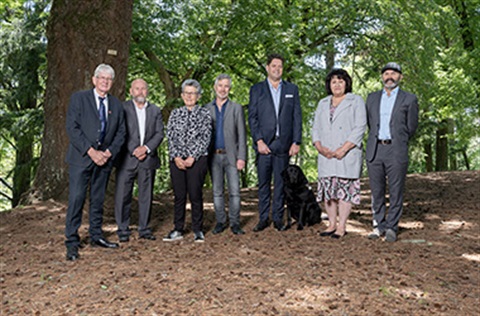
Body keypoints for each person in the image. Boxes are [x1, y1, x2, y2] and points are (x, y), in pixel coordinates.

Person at [64, 64, 126, 261]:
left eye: (109, 79)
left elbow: (121, 132)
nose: (105, 81)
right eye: (102, 78)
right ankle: (72, 242)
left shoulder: (116, 104)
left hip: (104, 160)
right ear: (94, 79)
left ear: (112, 82)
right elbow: (72, 128)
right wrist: (91, 152)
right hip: (81, 158)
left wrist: (107, 153)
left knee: (98, 199)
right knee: (76, 198)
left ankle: (96, 236)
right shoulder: (79, 99)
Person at [248, 53, 302, 232]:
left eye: (280, 66)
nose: (277, 69)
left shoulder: (291, 89)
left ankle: (278, 218)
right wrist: (258, 140)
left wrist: (296, 141)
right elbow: (252, 117)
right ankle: (264, 218)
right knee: (263, 184)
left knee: (280, 184)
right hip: (264, 144)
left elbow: (297, 117)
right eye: (274, 66)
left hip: (284, 144)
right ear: (267, 67)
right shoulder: (257, 89)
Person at [365, 62, 419, 242]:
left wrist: (398, 140)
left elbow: (411, 127)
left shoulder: (409, 99)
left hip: (396, 150)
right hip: (375, 149)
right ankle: (378, 225)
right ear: (382, 77)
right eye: (386, 73)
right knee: (376, 191)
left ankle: (391, 228)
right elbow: (370, 123)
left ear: (400, 77)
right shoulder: (371, 98)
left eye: (393, 74)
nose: (389, 76)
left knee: (396, 191)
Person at [312, 69, 367, 239]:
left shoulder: (355, 101)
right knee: (329, 191)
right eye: (334, 81)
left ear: (347, 83)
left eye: (341, 81)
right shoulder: (322, 103)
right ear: (329, 84)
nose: (337, 85)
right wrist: (319, 146)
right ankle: (331, 224)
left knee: (344, 191)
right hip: (326, 154)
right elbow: (315, 128)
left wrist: (343, 149)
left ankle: (342, 226)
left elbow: (360, 127)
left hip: (346, 154)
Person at [114, 79, 164, 242]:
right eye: (137, 89)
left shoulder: (155, 110)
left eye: (143, 88)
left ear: (147, 91)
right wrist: (135, 149)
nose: (140, 92)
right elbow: (120, 131)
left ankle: (144, 228)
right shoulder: (122, 108)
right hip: (127, 159)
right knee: (123, 195)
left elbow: (159, 134)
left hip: (148, 159)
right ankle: (122, 229)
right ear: (131, 91)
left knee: (146, 195)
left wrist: (146, 149)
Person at [163, 79, 212, 242]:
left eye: (193, 93)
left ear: (198, 96)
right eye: (186, 93)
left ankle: (198, 229)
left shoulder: (204, 114)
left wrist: (192, 157)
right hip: (177, 160)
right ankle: (178, 229)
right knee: (179, 195)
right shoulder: (175, 113)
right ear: (182, 95)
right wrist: (177, 157)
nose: (189, 96)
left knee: (195, 193)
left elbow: (205, 138)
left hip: (197, 160)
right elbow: (170, 136)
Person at [206, 74, 247, 235]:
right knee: (217, 192)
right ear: (215, 88)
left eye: (226, 86)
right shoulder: (206, 109)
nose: (223, 89)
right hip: (213, 156)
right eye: (220, 86)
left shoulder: (236, 108)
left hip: (232, 156)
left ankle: (235, 223)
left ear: (229, 89)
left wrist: (242, 157)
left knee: (235, 191)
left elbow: (242, 135)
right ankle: (221, 221)